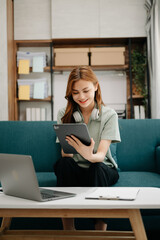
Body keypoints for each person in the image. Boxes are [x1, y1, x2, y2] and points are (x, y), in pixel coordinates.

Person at [54, 66, 121, 231]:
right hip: (77, 170)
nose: (81, 97)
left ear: (96, 86)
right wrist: (70, 149)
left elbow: (100, 155)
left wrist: (87, 154)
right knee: (63, 163)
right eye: (75, 92)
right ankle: (68, 229)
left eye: (86, 90)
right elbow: (65, 153)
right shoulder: (64, 113)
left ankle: (100, 231)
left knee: (96, 167)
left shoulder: (109, 115)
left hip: (101, 168)